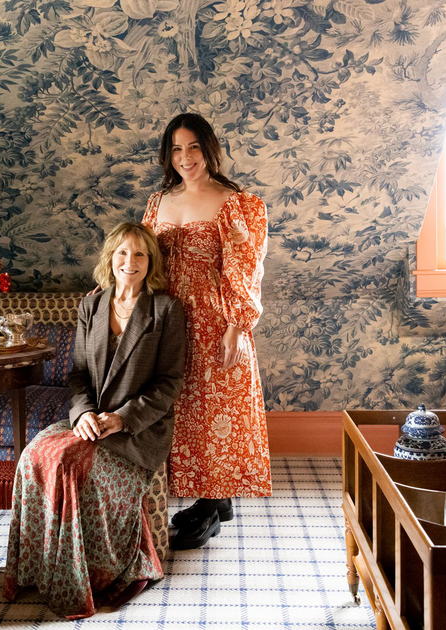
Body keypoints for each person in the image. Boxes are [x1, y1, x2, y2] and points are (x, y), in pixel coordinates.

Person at [3, 222, 187, 620]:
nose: (130, 261)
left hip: (138, 430)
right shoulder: (91, 306)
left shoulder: (167, 310)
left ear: (151, 261)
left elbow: (169, 383)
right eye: (122, 252)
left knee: (71, 467)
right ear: (110, 258)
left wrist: (122, 419)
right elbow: (78, 375)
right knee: (33, 457)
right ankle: (39, 568)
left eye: (140, 254)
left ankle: (88, 575)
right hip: (90, 421)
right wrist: (84, 413)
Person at [141, 112, 270, 550]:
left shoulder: (235, 203)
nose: (185, 157)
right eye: (177, 149)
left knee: (215, 411)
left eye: (193, 147)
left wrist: (236, 327)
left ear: (208, 149)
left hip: (215, 319)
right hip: (167, 320)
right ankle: (211, 502)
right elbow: (140, 256)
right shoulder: (159, 202)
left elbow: (247, 271)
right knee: (178, 408)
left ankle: (213, 504)